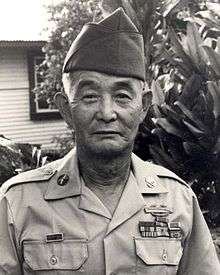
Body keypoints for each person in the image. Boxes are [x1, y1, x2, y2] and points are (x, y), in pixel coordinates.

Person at [0, 8, 219, 275]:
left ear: (144, 107)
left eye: (123, 96)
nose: (106, 113)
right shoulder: (17, 203)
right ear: (66, 109)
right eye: (90, 96)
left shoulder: (178, 200)